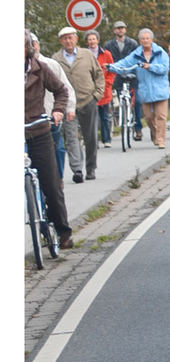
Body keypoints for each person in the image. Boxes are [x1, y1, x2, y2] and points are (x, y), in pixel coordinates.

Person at [25, 31, 74, 248]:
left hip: (38, 130)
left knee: (52, 185)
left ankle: (63, 232)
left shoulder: (40, 67)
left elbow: (62, 91)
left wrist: (58, 111)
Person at [53, 26, 105, 182]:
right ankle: (77, 170)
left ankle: (90, 168)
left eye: (71, 38)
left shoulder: (87, 55)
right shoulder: (56, 59)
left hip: (87, 100)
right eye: (65, 38)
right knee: (70, 138)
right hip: (68, 104)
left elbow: (99, 75)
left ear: (76, 39)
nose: (68, 41)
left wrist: (97, 95)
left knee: (90, 137)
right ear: (61, 41)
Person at [108, 29, 170, 148]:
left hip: (160, 89)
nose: (145, 41)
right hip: (144, 90)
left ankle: (161, 140)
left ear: (151, 40)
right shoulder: (136, 54)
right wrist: (111, 67)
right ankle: (155, 133)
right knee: (148, 117)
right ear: (139, 41)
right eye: (142, 39)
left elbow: (164, 68)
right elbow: (125, 63)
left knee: (161, 116)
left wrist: (150, 66)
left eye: (147, 38)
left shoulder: (160, 53)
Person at [31, 32, 75, 181]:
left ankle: (58, 179)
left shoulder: (50, 64)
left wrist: (68, 108)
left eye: (33, 44)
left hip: (50, 114)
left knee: (57, 148)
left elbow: (65, 88)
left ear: (37, 45)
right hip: (30, 120)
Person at [105, 20, 144, 140]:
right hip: (118, 77)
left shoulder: (132, 43)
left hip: (132, 76)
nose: (120, 30)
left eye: (122, 28)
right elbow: (108, 59)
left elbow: (138, 58)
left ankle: (138, 128)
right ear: (114, 31)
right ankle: (123, 121)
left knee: (137, 101)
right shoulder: (109, 45)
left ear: (125, 30)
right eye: (118, 28)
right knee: (121, 99)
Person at [85, 30, 114, 147]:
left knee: (105, 116)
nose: (92, 41)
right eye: (89, 39)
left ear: (97, 40)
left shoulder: (106, 54)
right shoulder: (84, 54)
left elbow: (111, 70)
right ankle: (94, 140)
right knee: (92, 117)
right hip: (89, 90)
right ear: (87, 41)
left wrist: (107, 83)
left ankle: (106, 139)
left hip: (104, 90)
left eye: (94, 39)